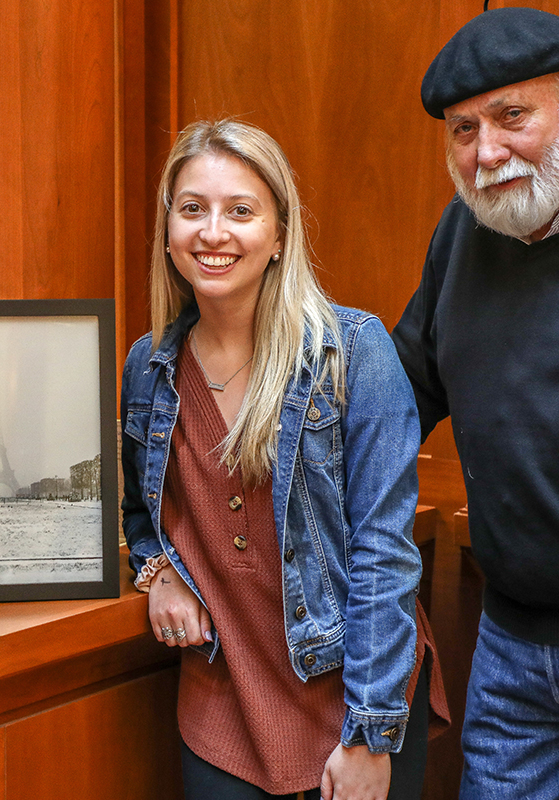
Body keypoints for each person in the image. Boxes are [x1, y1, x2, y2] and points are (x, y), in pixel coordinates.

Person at [121, 118, 448, 800]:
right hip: (223, 702)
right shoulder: (147, 366)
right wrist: (160, 572)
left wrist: (368, 734)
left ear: (278, 235)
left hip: (353, 695)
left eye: (241, 211)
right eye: (192, 210)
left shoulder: (354, 352)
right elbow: (139, 508)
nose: (213, 232)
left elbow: (384, 554)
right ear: (169, 232)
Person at [392, 7, 559, 799]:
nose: (487, 152)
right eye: (463, 129)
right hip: (511, 645)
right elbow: (399, 393)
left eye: (513, 117)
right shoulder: (463, 233)